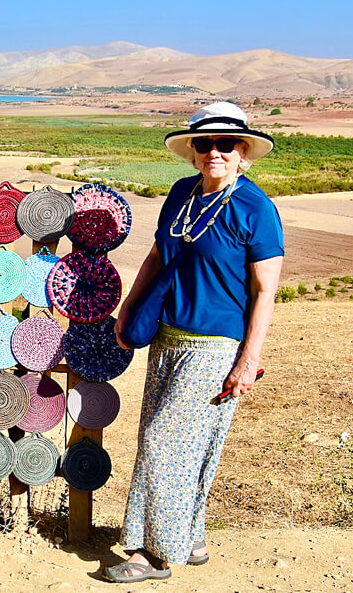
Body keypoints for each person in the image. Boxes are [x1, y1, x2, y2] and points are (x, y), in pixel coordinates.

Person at [104, 101, 284, 583]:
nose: (215, 153)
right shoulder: (182, 194)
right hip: (167, 338)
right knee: (182, 442)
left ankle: (153, 554)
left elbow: (266, 291)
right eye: (206, 144)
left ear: (242, 151)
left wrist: (249, 361)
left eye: (226, 144)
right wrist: (128, 312)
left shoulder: (255, 208)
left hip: (215, 344)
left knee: (166, 442)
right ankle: (191, 535)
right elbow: (156, 257)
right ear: (194, 151)